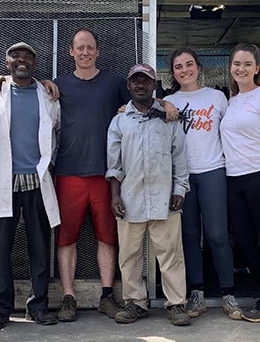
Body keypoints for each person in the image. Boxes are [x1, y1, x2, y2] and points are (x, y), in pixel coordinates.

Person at [52, 28, 177, 321]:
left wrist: (166, 103)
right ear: (70, 51)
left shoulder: (114, 83)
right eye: (80, 48)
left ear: (97, 51)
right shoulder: (58, 85)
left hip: (107, 175)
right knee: (66, 238)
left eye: (90, 48)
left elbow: (142, 99)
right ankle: (68, 297)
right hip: (68, 171)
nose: (85, 52)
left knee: (107, 238)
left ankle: (107, 296)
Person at [0, 42, 61, 330]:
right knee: (1, 249)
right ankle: (0, 309)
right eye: (15, 56)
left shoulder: (48, 95)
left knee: (39, 247)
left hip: (37, 181)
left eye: (27, 56)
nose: (21, 60)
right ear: (7, 62)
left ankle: (37, 306)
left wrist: (49, 164)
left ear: (35, 63)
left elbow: (58, 133)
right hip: (4, 181)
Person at [106, 64, 191, 326]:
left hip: (164, 198)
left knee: (171, 254)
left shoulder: (169, 119)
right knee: (130, 255)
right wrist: (115, 196)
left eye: (146, 81)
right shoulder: (119, 121)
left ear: (155, 85)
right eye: (135, 81)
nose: (140, 85)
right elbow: (114, 165)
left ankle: (176, 304)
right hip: (130, 200)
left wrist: (179, 189)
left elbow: (180, 158)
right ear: (129, 86)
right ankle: (135, 303)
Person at [162, 47, 241, 320]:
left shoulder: (217, 97)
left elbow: (233, 131)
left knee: (218, 235)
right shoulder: (168, 101)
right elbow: (142, 109)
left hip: (213, 171)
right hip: (183, 176)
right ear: (172, 72)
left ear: (198, 67)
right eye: (178, 67)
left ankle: (228, 293)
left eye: (189, 64)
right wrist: (161, 104)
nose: (185, 70)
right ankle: (196, 292)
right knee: (189, 236)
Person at [219, 43, 260, 323]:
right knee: (246, 243)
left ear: (257, 68)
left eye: (247, 64)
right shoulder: (231, 101)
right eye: (237, 64)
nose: (241, 69)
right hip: (234, 180)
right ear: (231, 68)